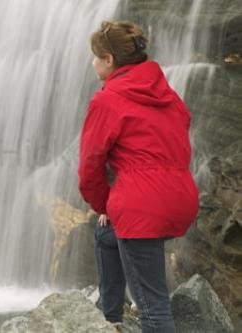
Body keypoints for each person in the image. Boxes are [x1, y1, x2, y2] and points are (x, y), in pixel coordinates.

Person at [77, 20, 200, 333]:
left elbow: (90, 166)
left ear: (109, 61)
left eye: (95, 56)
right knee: (106, 236)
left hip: (141, 206)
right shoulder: (168, 95)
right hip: (180, 198)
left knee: (152, 309)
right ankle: (111, 320)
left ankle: (123, 317)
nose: (92, 62)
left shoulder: (107, 100)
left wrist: (105, 204)